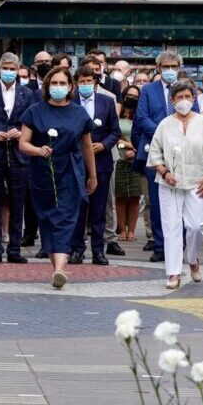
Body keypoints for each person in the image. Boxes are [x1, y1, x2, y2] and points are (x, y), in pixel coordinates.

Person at [18, 66, 98, 289]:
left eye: (63, 83)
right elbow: (23, 143)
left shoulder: (79, 113)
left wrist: (93, 175)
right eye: (55, 83)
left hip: (70, 171)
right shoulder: (35, 111)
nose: (59, 87)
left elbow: (87, 146)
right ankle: (57, 268)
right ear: (47, 86)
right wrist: (38, 150)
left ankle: (60, 268)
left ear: (71, 87)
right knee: (47, 219)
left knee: (65, 218)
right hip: (42, 172)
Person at [147, 80, 203, 289]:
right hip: (169, 183)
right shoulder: (165, 124)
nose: (184, 101)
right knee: (171, 227)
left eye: (188, 97)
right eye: (179, 97)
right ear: (172, 100)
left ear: (194, 98)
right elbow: (154, 154)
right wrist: (165, 172)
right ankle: (173, 273)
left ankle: (193, 258)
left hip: (198, 182)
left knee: (195, 226)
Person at [134, 50, 198, 263]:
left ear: (179, 67)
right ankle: (160, 245)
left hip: (184, 152)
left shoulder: (187, 89)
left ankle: (179, 244)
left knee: (182, 198)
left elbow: (195, 115)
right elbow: (141, 117)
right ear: (159, 68)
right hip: (156, 150)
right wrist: (165, 134)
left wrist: (178, 135)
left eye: (174, 66)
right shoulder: (148, 90)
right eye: (166, 67)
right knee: (157, 201)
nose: (170, 70)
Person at [0, 52, 36, 264]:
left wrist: (21, 132)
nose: (9, 72)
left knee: (17, 203)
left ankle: (14, 248)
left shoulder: (27, 93)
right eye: (6, 68)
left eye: (13, 68)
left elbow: (32, 122)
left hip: (19, 154)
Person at [73, 65, 121, 266]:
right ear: (76, 83)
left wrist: (103, 145)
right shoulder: (71, 102)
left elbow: (115, 131)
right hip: (76, 161)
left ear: (96, 82)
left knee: (99, 209)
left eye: (89, 81)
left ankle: (98, 251)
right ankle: (76, 249)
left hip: (101, 161)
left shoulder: (107, 101)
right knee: (78, 209)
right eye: (82, 81)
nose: (85, 85)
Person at [114, 85, 146, 244]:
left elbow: (143, 136)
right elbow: (112, 134)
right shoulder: (115, 114)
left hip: (136, 158)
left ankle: (132, 230)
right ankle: (121, 230)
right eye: (129, 95)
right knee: (120, 196)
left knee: (134, 196)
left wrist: (135, 150)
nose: (131, 98)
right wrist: (125, 145)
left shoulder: (139, 117)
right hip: (118, 159)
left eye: (135, 96)